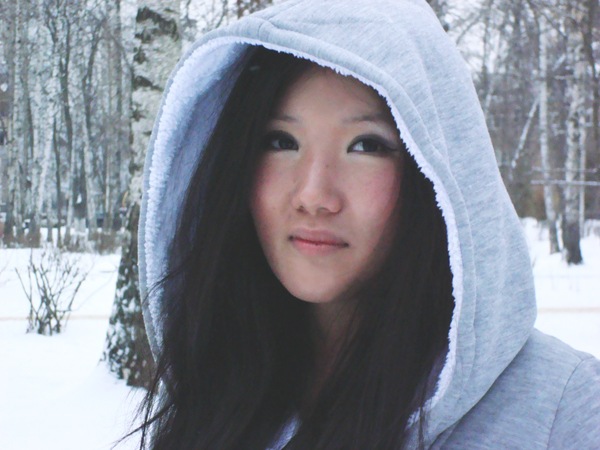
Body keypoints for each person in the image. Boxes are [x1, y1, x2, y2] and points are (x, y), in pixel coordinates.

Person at [136, 0, 600, 448]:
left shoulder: (564, 414)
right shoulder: (214, 402)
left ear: (435, 173)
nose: (314, 196)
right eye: (281, 141)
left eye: (365, 146)